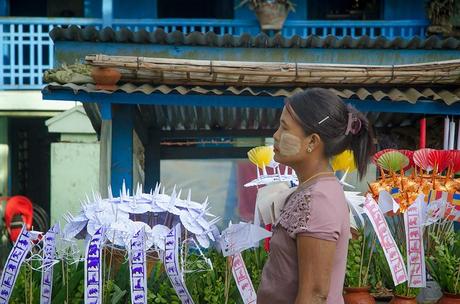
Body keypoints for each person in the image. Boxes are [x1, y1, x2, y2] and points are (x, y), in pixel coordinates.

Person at [257, 88, 374, 304]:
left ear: (312, 142)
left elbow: (314, 295)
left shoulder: (318, 199)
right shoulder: (310, 190)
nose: (275, 135)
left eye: (284, 128)